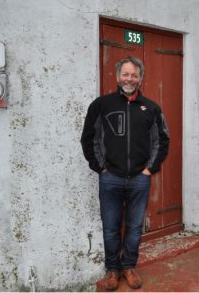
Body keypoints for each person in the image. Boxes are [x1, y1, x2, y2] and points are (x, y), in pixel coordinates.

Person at [81, 57, 169, 289]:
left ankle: (128, 267)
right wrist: (100, 167)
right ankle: (112, 270)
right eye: (126, 74)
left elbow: (162, 140)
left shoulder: (151, 108)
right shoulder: (101, 105)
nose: (129, 79)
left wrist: (150, 169)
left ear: (141, 78)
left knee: (134, 226)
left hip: (140, 179)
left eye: (134, 75)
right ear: (117, 76)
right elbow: (89, 139)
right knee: (110, 227)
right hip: (110, 178)